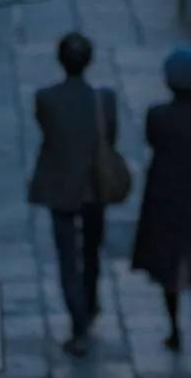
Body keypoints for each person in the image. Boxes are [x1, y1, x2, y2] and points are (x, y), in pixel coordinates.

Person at [28, 32, 117, 358]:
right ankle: (89, 305)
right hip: (95, 185)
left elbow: (47, 130)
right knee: (91, 252)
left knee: (68, 258)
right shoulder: (103, 100)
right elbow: (112, 135)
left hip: (61, 186)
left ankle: (78, 323)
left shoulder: (45, 98)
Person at [132, 48, 191, 355]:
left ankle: (173, 328)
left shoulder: (157, 115)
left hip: (165, 196)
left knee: (168, 264)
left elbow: (152, 141)